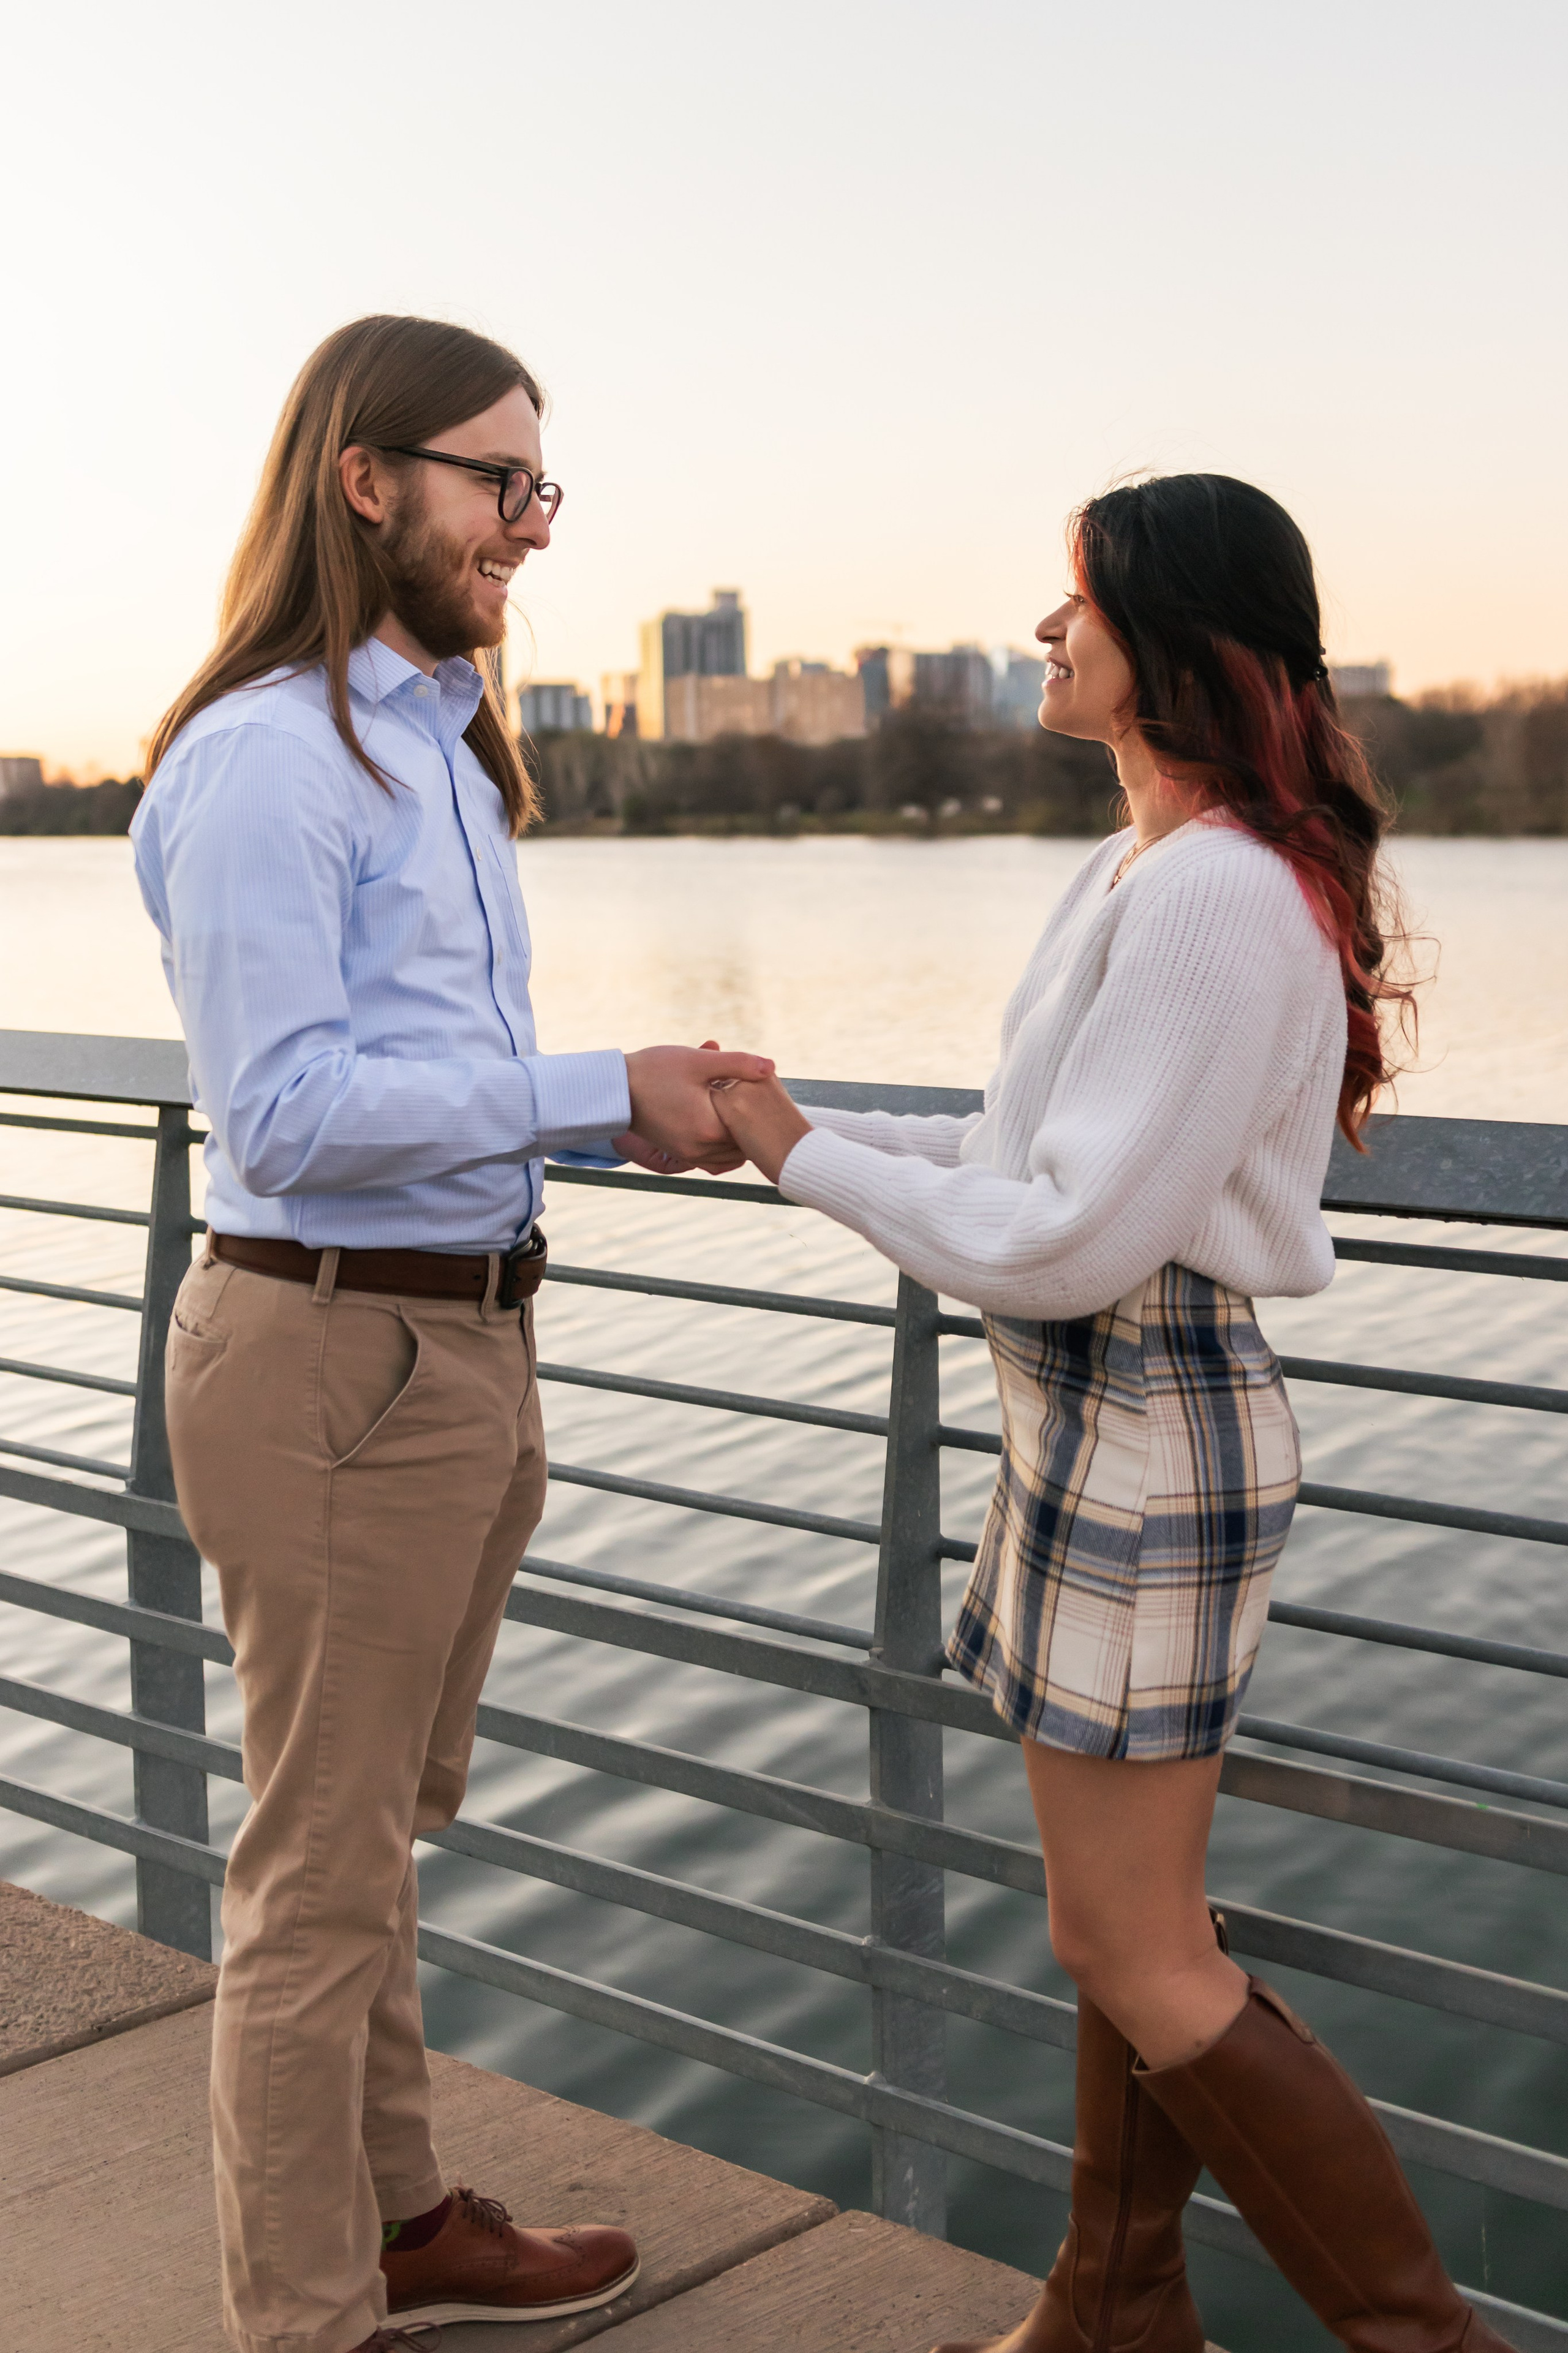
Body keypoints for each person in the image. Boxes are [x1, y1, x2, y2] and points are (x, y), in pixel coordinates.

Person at [709, 476, 1512, 2353]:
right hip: (1088, 1429)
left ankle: (1423, 2341)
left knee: (1135, 1948)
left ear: (1174, 643)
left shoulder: (1221, 890)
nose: (1045, 629)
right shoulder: (1143, 865)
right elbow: (1017, 1158)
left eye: (1078, 600)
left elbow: (1066, 1236)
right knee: (1129, 1929)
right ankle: (1114, 2308)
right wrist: (788, 1128)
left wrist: (807, 1153)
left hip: (1143, 1424)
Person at [132, 313, 769, 2353]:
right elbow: (294, 1112)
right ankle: (303, 2316)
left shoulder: (437, 737)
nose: (532, 526)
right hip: (332, 1361)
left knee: (377, 1835)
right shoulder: (264, 758)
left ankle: (402, 2224)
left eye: (539, 487)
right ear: (365, 480)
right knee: (311, 1892)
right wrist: (596, 1081)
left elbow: (428, 1072)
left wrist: (602, 1115)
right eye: (502, 482)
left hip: (455, 1349)